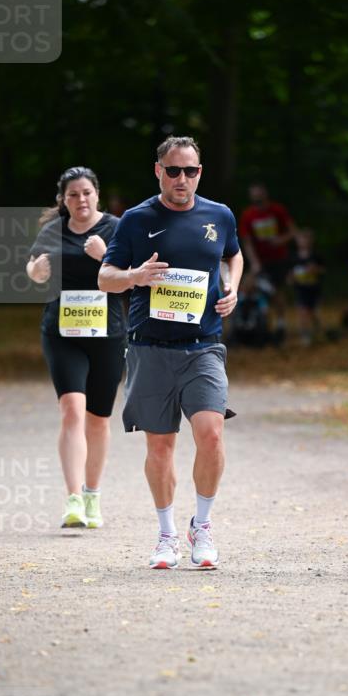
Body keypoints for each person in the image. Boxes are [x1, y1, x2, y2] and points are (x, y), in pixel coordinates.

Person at [98, 136, 243, 569]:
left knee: (212, 433)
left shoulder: (219, 215)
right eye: (174, 170)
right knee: (160, 446)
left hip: (204, 345)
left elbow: (233, 258)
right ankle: (166, 534)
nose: (183, 179)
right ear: (158, 170)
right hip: (149, 346)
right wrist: (136, 276)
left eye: (191, 171)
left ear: (201, 172)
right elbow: (106, 278)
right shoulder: (136, 220)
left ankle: (203, 525)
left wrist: (233, 286)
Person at [27, 166, 124, 529]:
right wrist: (35, 273)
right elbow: (33, 269)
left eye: (86, 192)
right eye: (73, 195)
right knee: (71, 409)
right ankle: (72, 500)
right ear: (63, 201)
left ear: (96, 194)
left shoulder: (116, 229)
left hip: (107, 335)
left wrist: (105, 257)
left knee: (98, 419)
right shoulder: (53, 231)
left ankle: (92, 495)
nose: (80, 200)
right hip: (62, 332)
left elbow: (135, 280)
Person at [238, 183, 297, 340]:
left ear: (265, 194)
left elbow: (292, 232)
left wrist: (281, 240)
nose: (256, 197)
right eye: (253, 194)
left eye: (259, 194)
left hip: (278, 259)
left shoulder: (277, 210)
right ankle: (244, 324)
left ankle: (280, 325)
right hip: (260, 260)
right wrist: (255, 262)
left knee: (277, 292)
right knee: (246, 287)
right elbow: (247, 241)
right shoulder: (248, 215)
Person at [287, 228, 325, 345]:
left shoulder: (316, 256)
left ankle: (318, 331)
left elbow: (323, 270)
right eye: (301, 239)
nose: (304, 242)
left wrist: (315, 270)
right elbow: (290, 275)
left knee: (313, 312)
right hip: (300, 289)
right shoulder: (294, 257)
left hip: (314, 289)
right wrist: (291, 278)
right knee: (302, 312)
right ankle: (305, 336)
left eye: (306, 239)